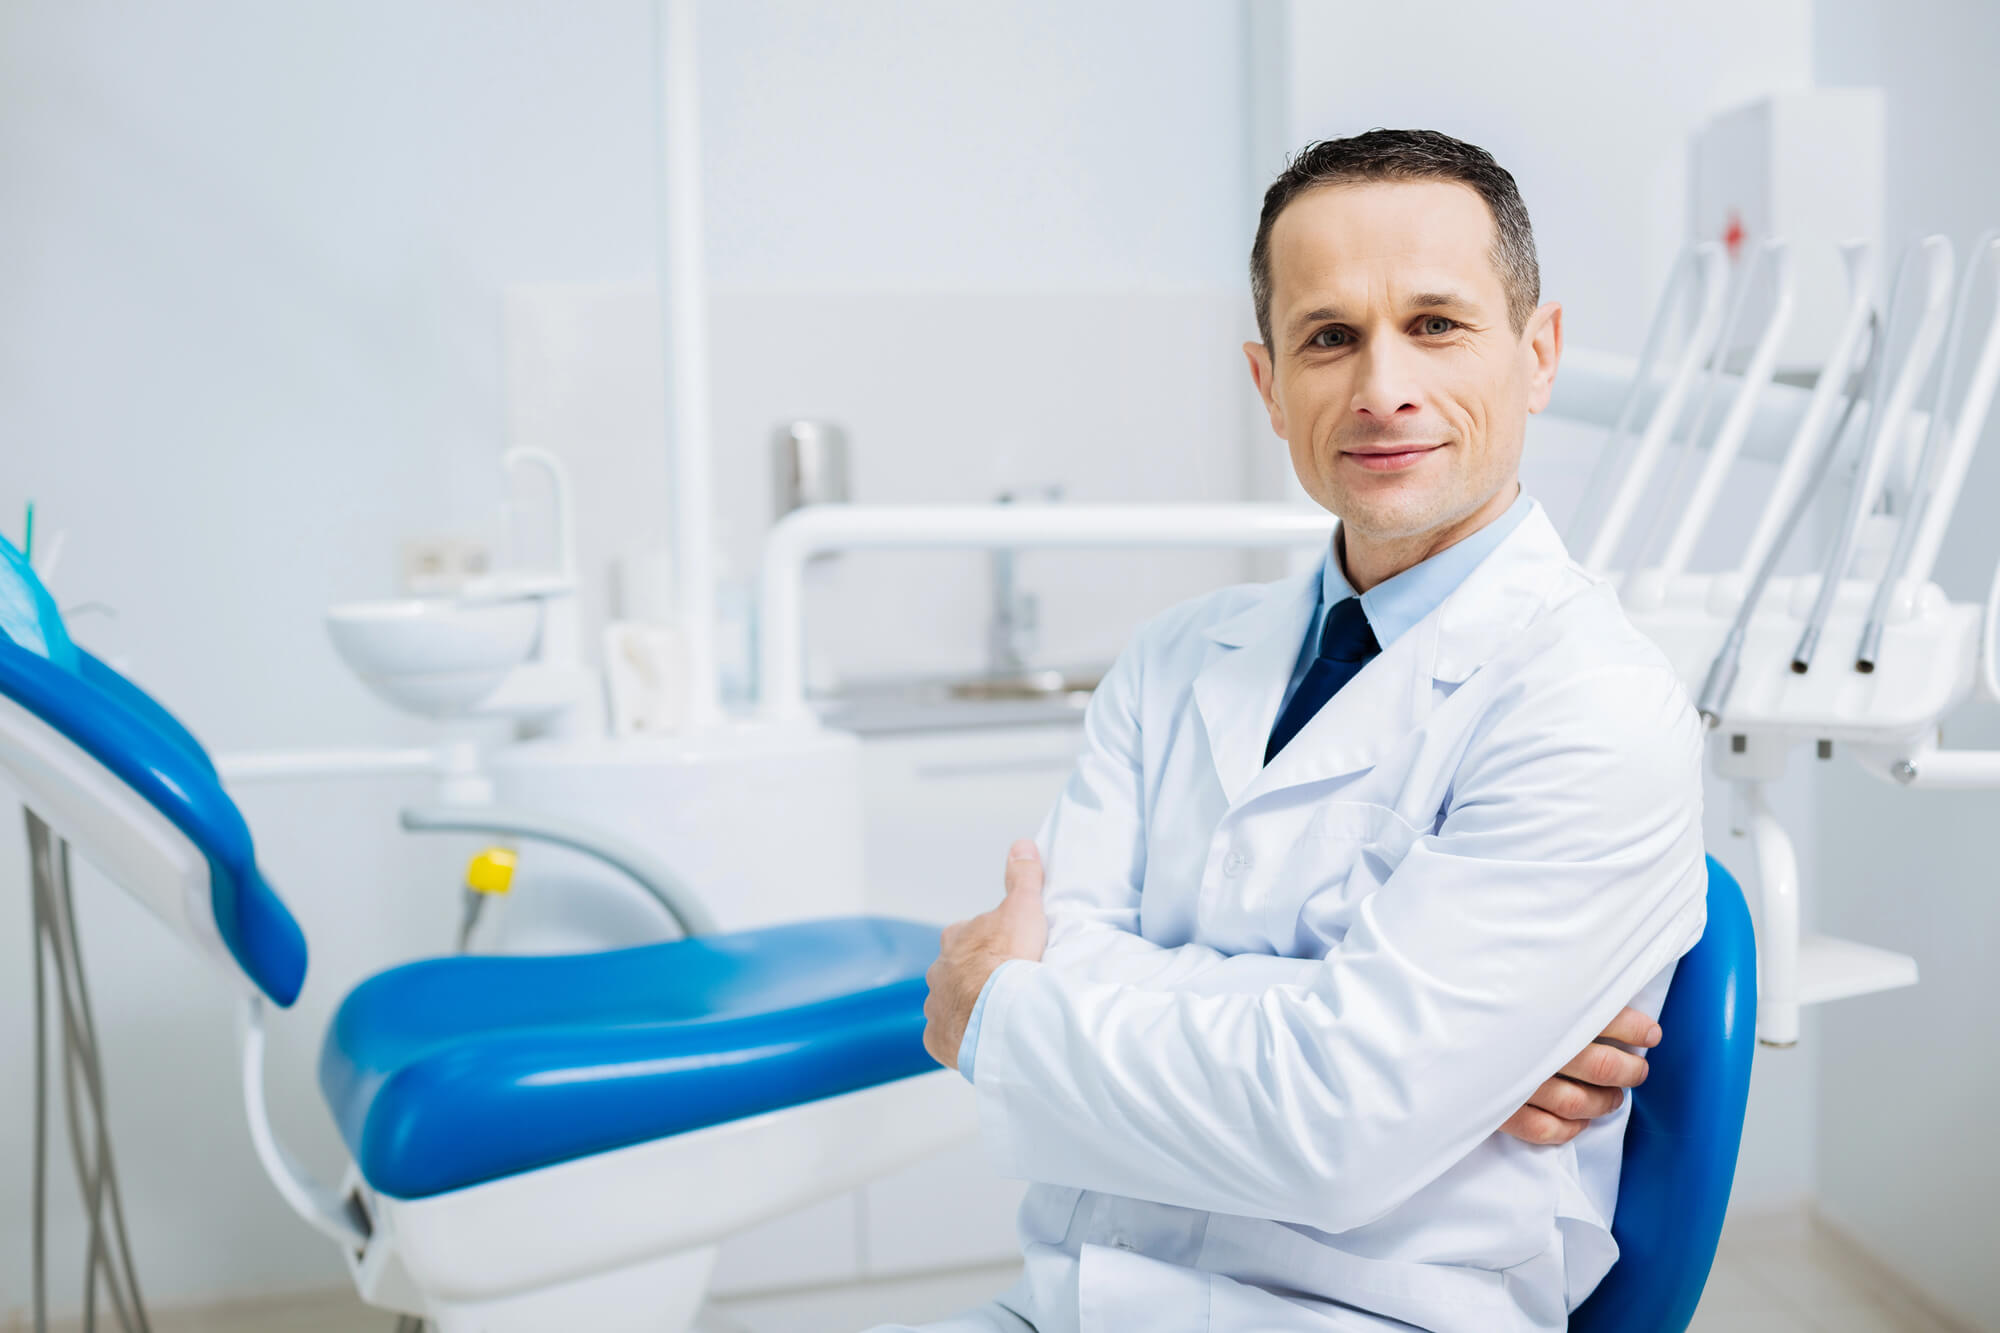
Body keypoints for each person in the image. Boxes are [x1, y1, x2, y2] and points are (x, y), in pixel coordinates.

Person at [878, 129, 1706, 1333]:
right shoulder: (1175, 659)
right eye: (1329, 337)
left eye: (1434, 324)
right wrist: (1394, 1047)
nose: (1381, 389)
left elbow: (1333, 1128)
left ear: (1537, 355)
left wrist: (1003, 1015)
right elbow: (1341, 1086)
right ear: (1270, 387)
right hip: (1069, 1296)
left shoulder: (1591, 703)